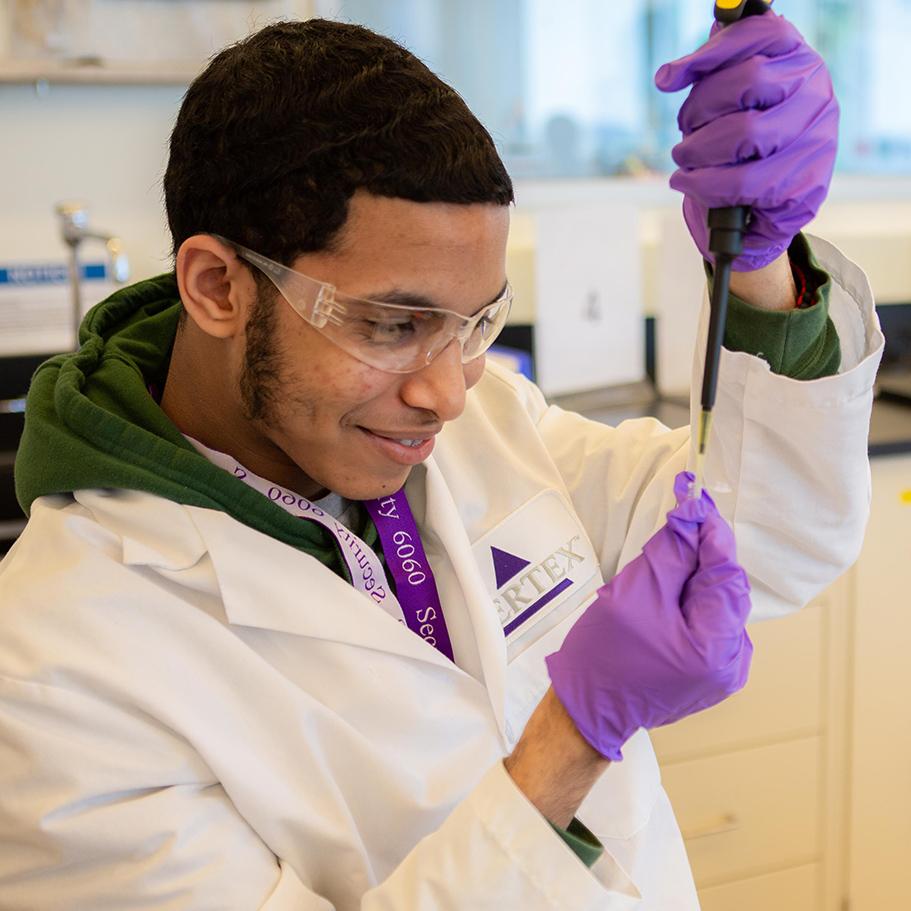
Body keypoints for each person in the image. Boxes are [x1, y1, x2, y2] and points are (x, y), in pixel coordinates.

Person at [0, 13, 883, 910]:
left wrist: (761, 273)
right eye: (391, 324)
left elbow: (764, 540)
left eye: (474, 324)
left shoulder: (483, 419)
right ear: (217, 288)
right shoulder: (51, 667)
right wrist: (571, 738)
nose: (448, 393)